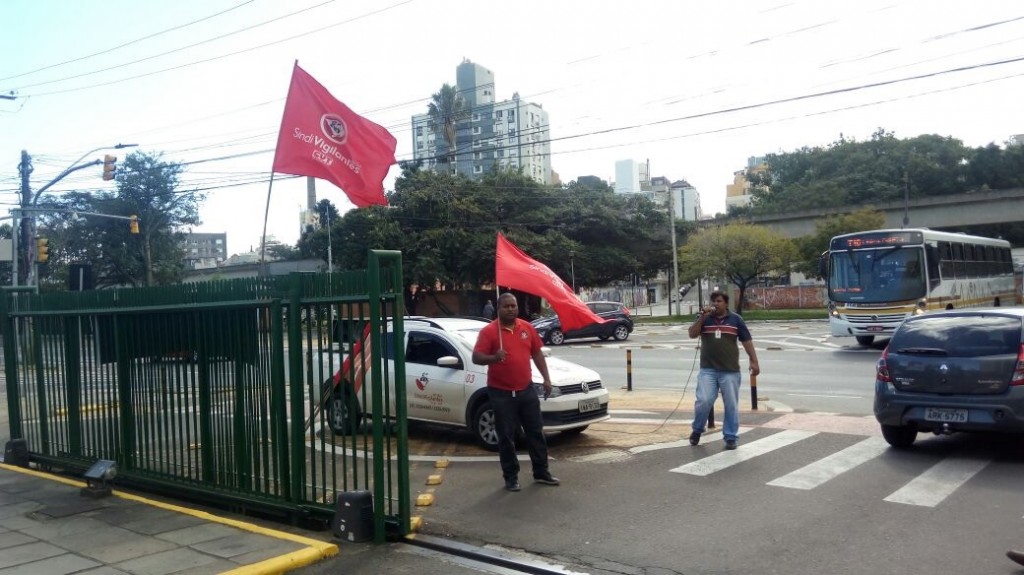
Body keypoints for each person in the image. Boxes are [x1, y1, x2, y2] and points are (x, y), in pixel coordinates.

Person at [472, 292, 560, 491]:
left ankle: (541, 472)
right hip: (501, 393)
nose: (511, 309)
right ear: (498, 308)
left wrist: (546, 378)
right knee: (506, 436)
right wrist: (494, 357)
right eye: (506, 306)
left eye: (513, 306)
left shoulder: (526, 328)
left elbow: (537, 353)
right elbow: (476, 357)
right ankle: (511, 477)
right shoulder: (489, 332)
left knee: (535, 432)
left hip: (526, 390)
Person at [687, 290, 760, 450]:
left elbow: (747, 341)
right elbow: (692, 334)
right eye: (713, 301)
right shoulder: (704, 319)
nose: (715, 304)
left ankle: (730, 437)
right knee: (704, 401)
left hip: (730, 370)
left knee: (731, 404)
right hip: (708, 370)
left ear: (726, 303)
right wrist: (701, 318)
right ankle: (697, 429)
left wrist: (754, 361)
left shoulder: (735, 320)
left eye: (719, 301)